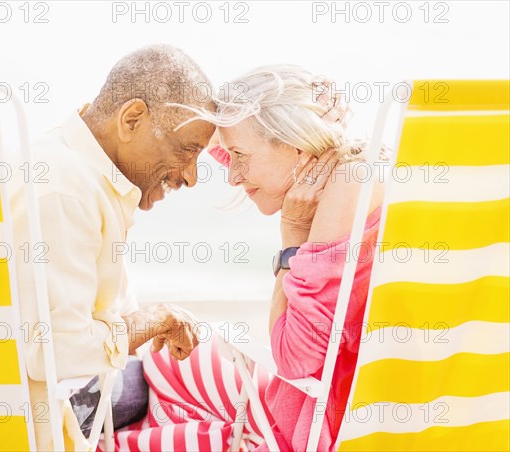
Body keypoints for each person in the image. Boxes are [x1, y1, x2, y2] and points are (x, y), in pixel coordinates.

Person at [115, 65, 386, 451]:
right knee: (166, 375)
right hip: (335, 406)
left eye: (240, 155)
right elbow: (230, 144)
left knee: (164, 391)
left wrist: (292, 236)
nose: (232, 174)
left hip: (314, 428)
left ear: (296, 144)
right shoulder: (362, 168)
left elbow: (293, 360)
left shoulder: (345, 188)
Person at [7, 44, 216, 449]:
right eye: (187, 150)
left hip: (33, 392)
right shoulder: (65, 189)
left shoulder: (70, 168)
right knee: (202, 388)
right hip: (42, 411)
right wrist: (154, 320)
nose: (190, 176)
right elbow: (55, 351)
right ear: (132, 119)